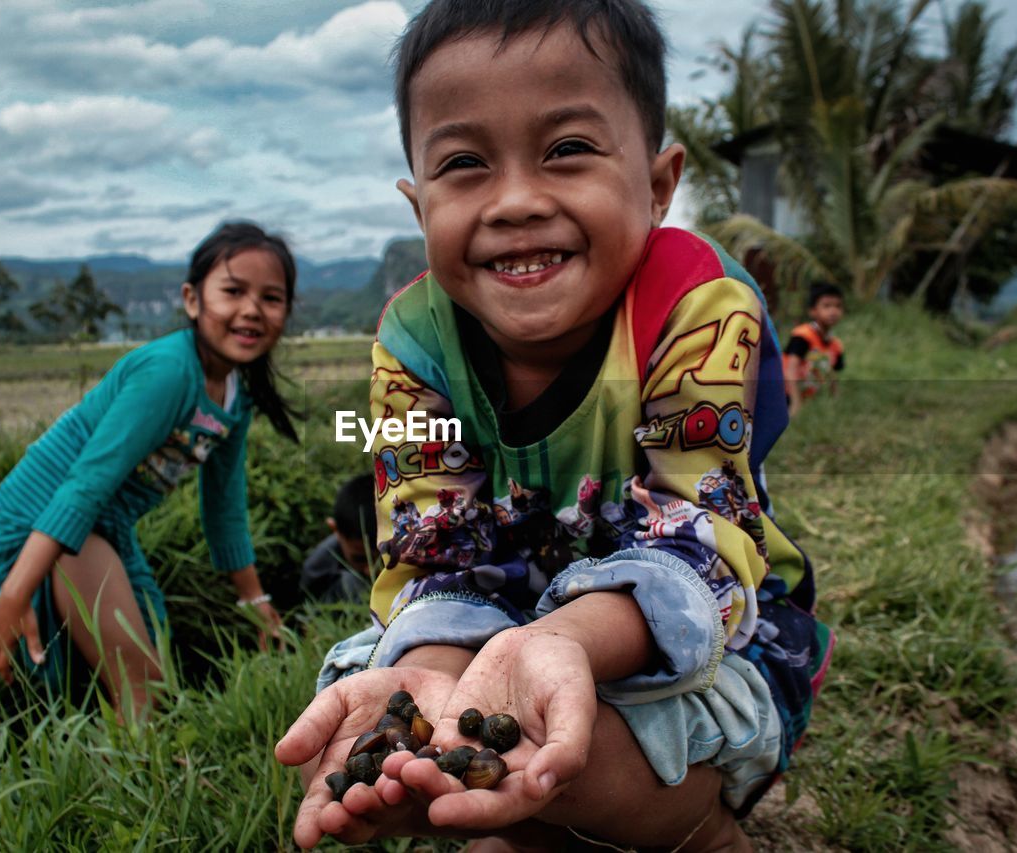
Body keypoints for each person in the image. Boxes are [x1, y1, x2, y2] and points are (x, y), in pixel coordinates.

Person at [274, 2, 832, 850]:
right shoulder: (412, 339)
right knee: (403, 697)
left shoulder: (694, 305)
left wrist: (563, 638)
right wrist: (434, 678)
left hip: (695, 625)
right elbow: (433, 548)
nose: (517, 201)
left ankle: (702, 834)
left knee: (599, 741)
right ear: (418, 204)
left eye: (567, 149)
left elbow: (698, 536)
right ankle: (518, 816)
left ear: (656, 183)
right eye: (464, 163)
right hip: (505, 626)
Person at [0, 221, 299, 716]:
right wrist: (12, 596)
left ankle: (130, 755)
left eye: (271, 297)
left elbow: (224, 506)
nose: (251, 309)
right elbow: (85, 484)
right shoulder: (168, 372)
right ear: (192, 299)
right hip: (48, 513)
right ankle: (143, 775)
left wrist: (253, 600)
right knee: (142, 684)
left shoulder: (235, 395)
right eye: (232, 290)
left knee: (149, 642)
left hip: (104, 524)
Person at [300, 473, 376, 604]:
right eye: (361, 559)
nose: (371, 571)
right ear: (335, 529)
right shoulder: (317, 572)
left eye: (384, 559)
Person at [783, 282, 845, 416]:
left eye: (838, 306)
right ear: (813, 311)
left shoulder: (836, 344)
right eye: (827, 306)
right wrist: (796, 403)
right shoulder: (802, 336)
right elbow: (790, 369)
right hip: (783, 395)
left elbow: (833, 375)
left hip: (809, 400)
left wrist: (835, 400)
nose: (833, 311)